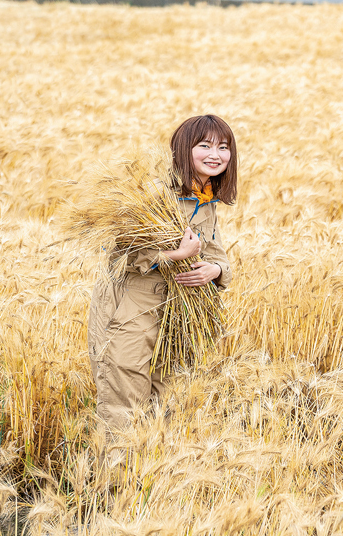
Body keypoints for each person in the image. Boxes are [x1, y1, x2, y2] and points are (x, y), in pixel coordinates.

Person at [87, 114, 237, 430]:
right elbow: (119, 255)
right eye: (205, 145)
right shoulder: (152, 193)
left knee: (167, 411)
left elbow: (219, 258)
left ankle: (152, 479)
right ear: (184, 148)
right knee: (124, 411)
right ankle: (116, 480)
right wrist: (176, 255)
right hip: (130, 312)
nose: (216, 155)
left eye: (223, 147)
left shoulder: (206, 197)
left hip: (178, 319)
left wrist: (213, 270)